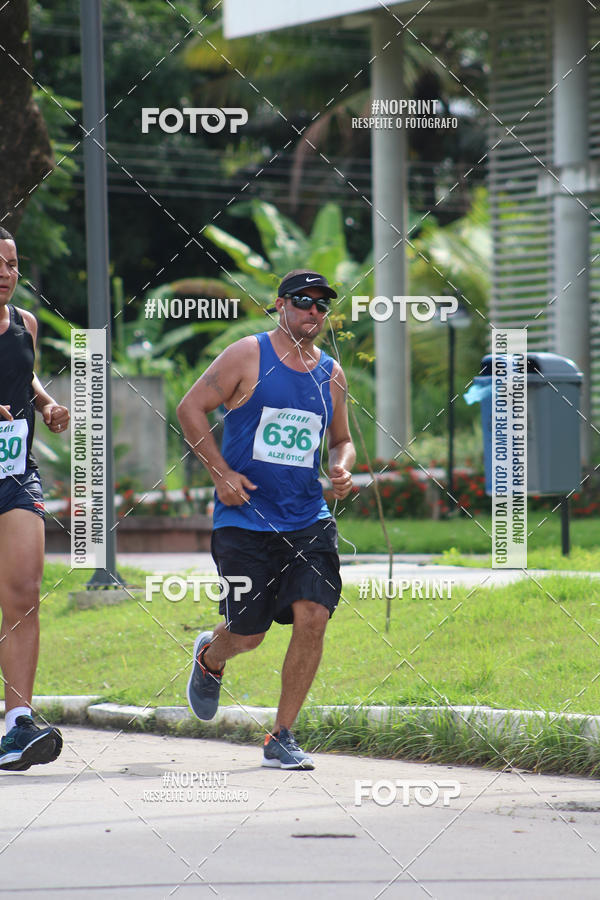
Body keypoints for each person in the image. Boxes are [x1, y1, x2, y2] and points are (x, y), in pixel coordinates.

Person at [177, 269, 355, 770]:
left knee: (313, 615)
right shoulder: (246, 355)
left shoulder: (331, 374)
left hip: (308, 519)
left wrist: (340, 466)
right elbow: (190, 407)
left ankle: (282, 735)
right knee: (249, 634)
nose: (313, 312)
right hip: (243, 522)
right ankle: (212, 655)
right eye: (304, 301)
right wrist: (221, 472)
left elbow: (340, 438)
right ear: (280, 305)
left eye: (322, 305)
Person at [0, 226, 69, 771]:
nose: (6, 273)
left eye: (12, 263)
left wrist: (46, 405)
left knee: (24, 592)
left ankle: (17, 723)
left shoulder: (25, 324)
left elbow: (25, 375)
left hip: (15, 470)